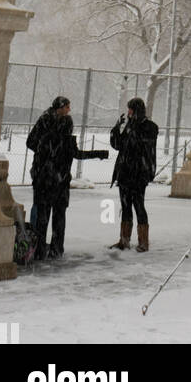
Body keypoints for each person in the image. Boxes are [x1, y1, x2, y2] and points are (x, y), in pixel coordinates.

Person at [26, 96, 109, 261]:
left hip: (51, 178)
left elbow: (33, 143)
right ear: (60, 108)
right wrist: (49, 156)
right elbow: (34, 143)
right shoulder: (52, 130)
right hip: (53, 179)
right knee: (53, 215)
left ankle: (43, 249)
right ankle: (51, 249)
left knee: (49, 215)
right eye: (67, 107)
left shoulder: (54, 133)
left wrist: (46, 156)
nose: (69, 110)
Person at [108, 98, 158, 253]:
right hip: (125, 173)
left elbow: (142, 147)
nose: (128, 112)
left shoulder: (149, 127)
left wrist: (133, 128)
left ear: (137, 110)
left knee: (138, 205)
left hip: (138, 174)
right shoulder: (129, 125)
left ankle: (143, 241)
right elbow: (118, 145)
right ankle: (124, 240)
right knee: (125, 206)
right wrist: (116, 129)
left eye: (131, 109)